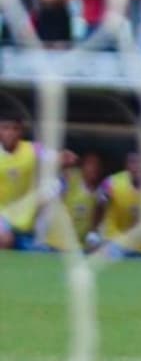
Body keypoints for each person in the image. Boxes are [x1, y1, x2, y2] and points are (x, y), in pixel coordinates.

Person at [92, 152, 141, 259]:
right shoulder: (111, 183)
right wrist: (94, 232)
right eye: (133, 162)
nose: (137, 167)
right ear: (127, 166)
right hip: (116, 242)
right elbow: (99, 206)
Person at [41, 149, 104, 253]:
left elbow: (98, 215)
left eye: (97, 165)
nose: (93, 168)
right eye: (90, 164)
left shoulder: (100, 191)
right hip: (56, 244)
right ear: (83, 166)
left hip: (79, 247)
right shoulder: (71, 177)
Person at [0, 107, 43, 251]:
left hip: (26, 220)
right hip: (2, 216)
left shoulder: (34, 150)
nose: (10, 133)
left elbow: (59, 158)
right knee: (5, 239)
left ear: (21, 132)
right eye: (5, 128)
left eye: (15, 129)